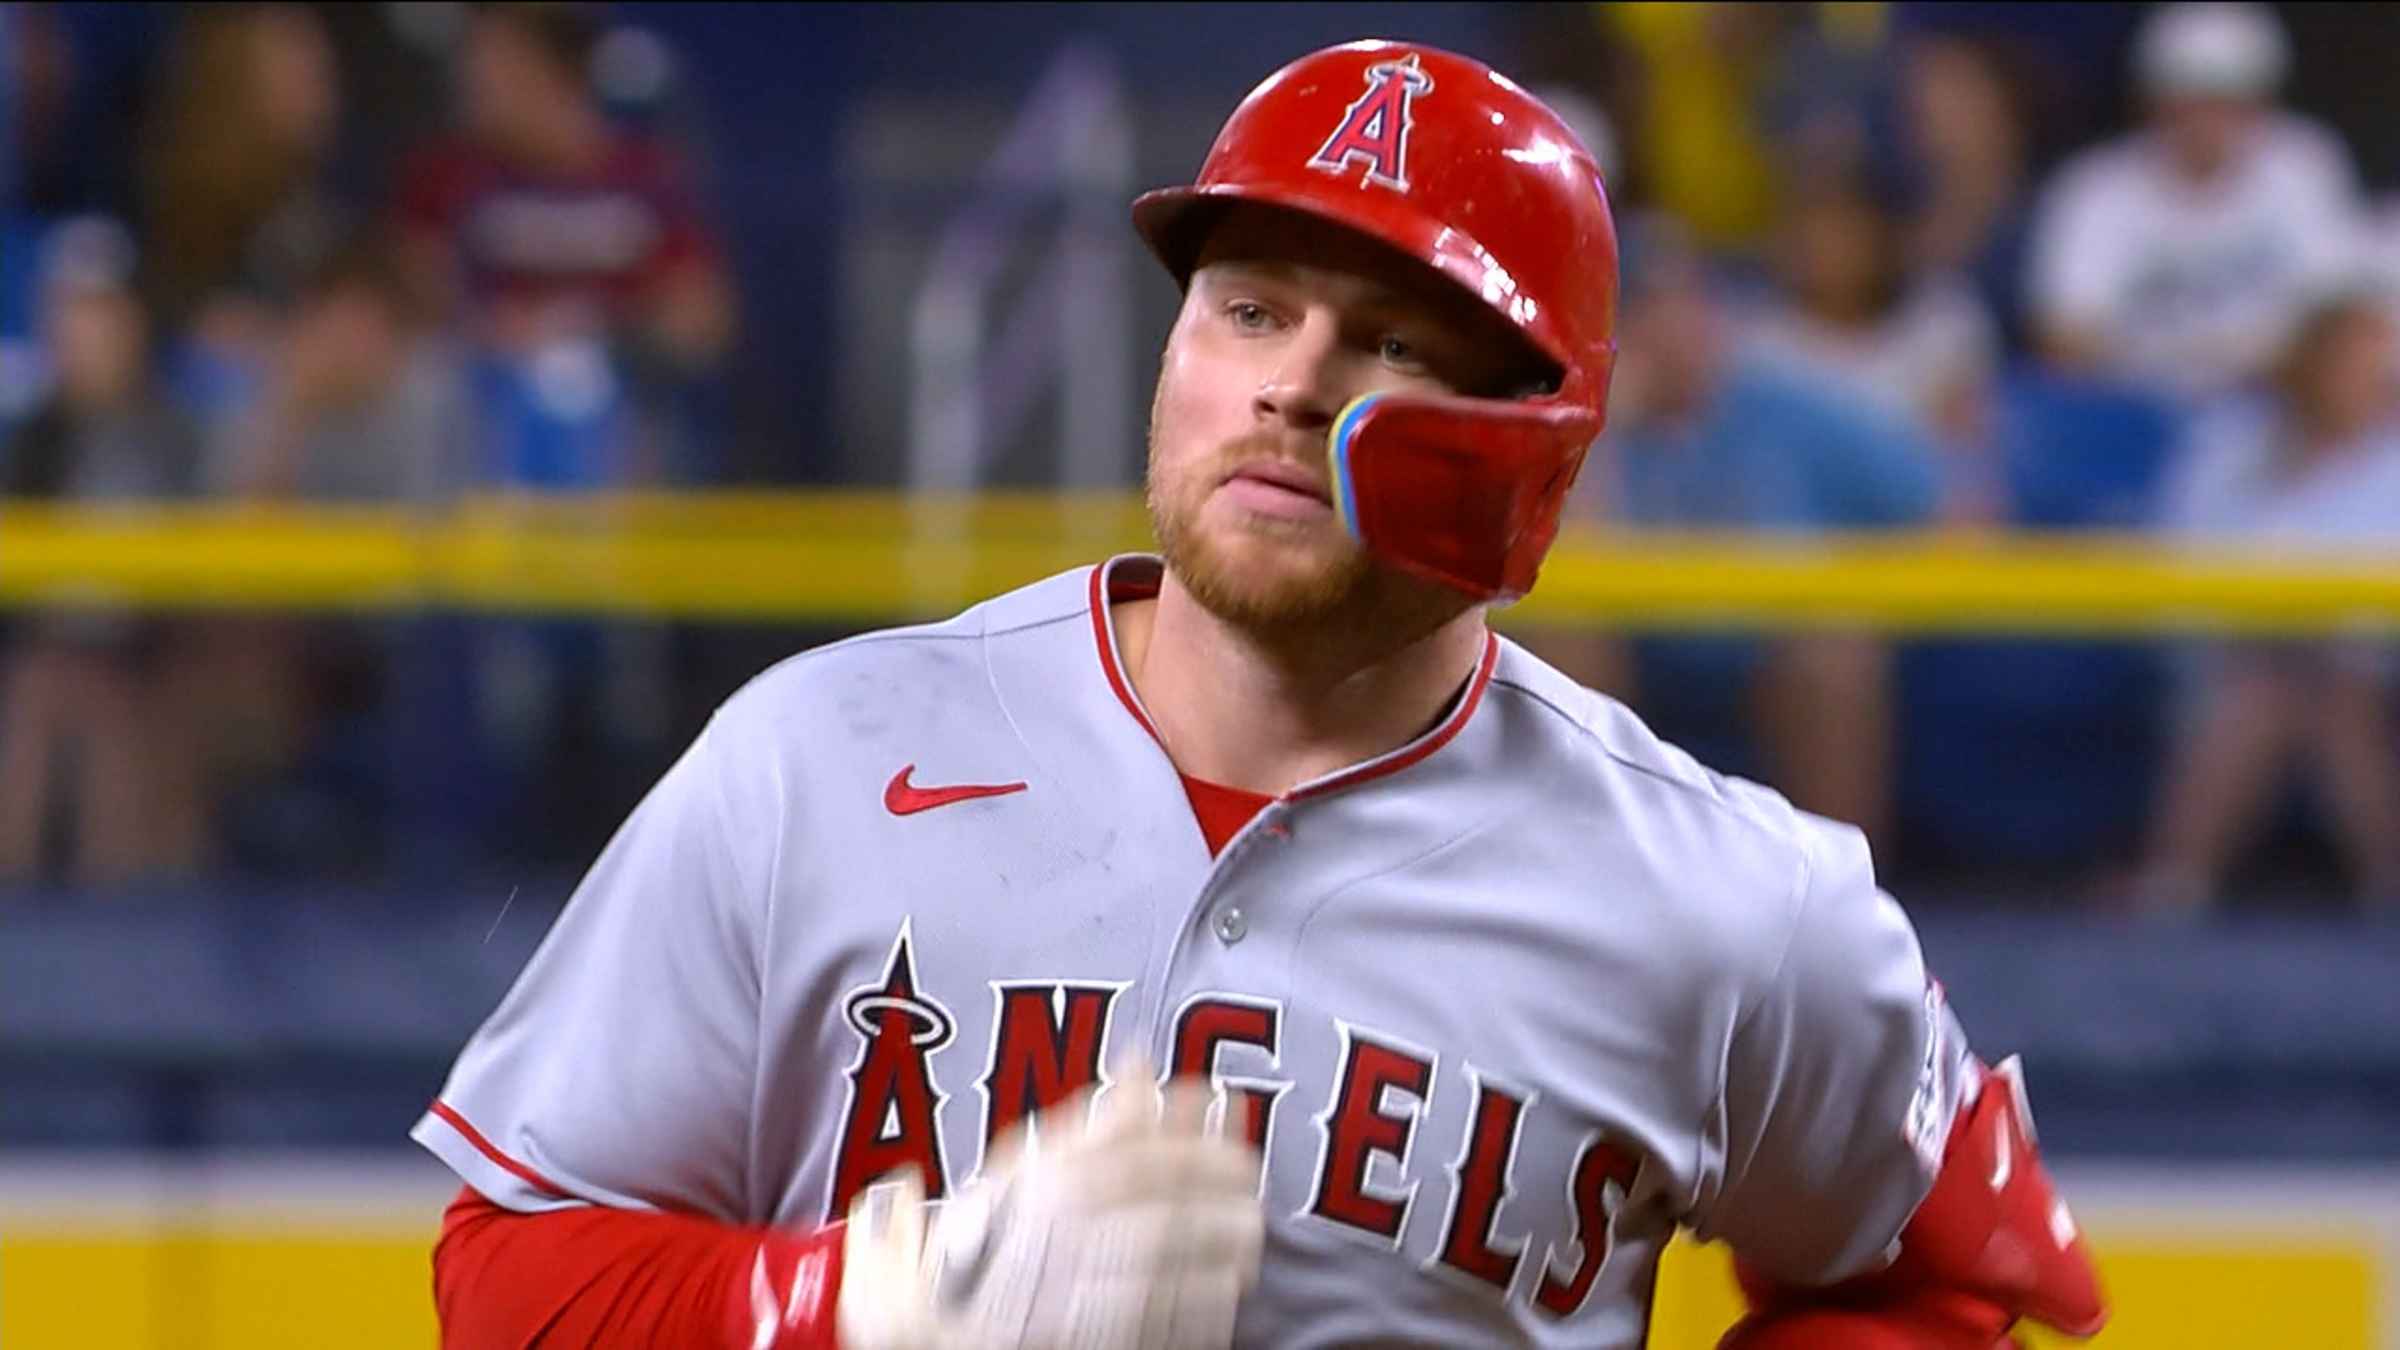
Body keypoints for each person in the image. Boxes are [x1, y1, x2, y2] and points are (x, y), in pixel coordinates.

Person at [414, 42, 2106, 1350]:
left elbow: (1950, 1275)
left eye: (1393, 342)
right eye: (1248, 308)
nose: (1290, 384)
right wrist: (877, 1302)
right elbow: (511, 1271)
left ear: (1547, 447)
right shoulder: (820, 760)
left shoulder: (1739, 903)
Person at [2134, 294, 2400, 914]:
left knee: (2325, 692)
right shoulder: (2230, 443)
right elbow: (2178, 553)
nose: (2368, 382)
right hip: (2226, 651)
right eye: (2352, 363)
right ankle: (2174, 887)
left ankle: (2172, 878)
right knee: (2270, 688)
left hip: (2361, 663)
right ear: (2308, 364)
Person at [2024, 2, 2367, 404]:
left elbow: (2340, 318)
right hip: (2138, 414)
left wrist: (2219, 366)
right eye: (2189, 99)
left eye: (2228, 100)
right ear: (2151, 101)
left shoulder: (2305, 164)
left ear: (2263, 101)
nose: (2208, 121)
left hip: (2279, 404)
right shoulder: (2094, 187)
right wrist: (2192, 371)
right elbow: (2062, 339)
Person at [0, 219, 205, 886]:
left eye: (100, 315)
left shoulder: (175, 433)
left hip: (149, 660)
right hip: (39, 656)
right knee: (36, 705)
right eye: (69, 316)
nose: (84, 335)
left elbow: (208, 571)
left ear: (133, 324)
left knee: (113, 718)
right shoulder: (31, 438)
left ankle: (123, 939)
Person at [1744, 171, 2003, 519]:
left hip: (1922, 533)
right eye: (1816, 232)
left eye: (1847, 231)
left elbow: (1967, 460)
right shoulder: (1759, 347)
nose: (1831, 250)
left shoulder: (1943, 325)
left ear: (1882, 235)